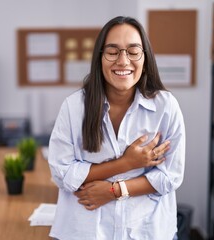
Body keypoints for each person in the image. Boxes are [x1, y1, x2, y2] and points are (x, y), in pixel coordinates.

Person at [48, 16, 185, 240]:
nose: (123, 61)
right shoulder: (74, 107)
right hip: (85, 232)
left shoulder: (165, 106)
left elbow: (170, 177)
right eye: (113, 51)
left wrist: (114, 191)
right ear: (100, 57)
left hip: (146, 231)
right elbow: (62, 174)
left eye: (133, 51)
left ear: (145, 57)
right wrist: (127, 163)